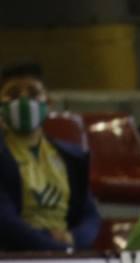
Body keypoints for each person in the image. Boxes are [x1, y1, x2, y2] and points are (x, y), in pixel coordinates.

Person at [0, 63, 100, 252]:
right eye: (13, 94)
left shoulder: (71, 157)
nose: (23, 100)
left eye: (33, 93)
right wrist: (51, 245)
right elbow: (4, 220)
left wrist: (73, 239)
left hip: (65, 254)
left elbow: (90, 215)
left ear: (48, 103)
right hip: (12, 259)